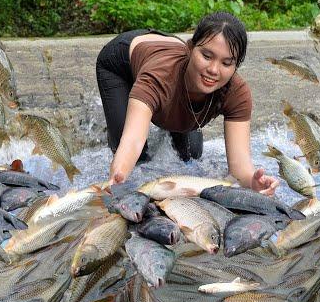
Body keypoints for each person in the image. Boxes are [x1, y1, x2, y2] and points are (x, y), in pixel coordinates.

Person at [95, 11, 280, 196]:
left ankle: (161, 109)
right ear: (190, 48)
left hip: (164, 55)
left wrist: (253, 182)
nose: (214, 70)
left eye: (226, 63)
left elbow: (240, 167)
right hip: (120, 63)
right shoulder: (157, 78)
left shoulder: (236, 92)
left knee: (190, 155)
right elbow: (132, 141)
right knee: (139, 160)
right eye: (207, 56)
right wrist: (118, 175)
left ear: (235, 65)